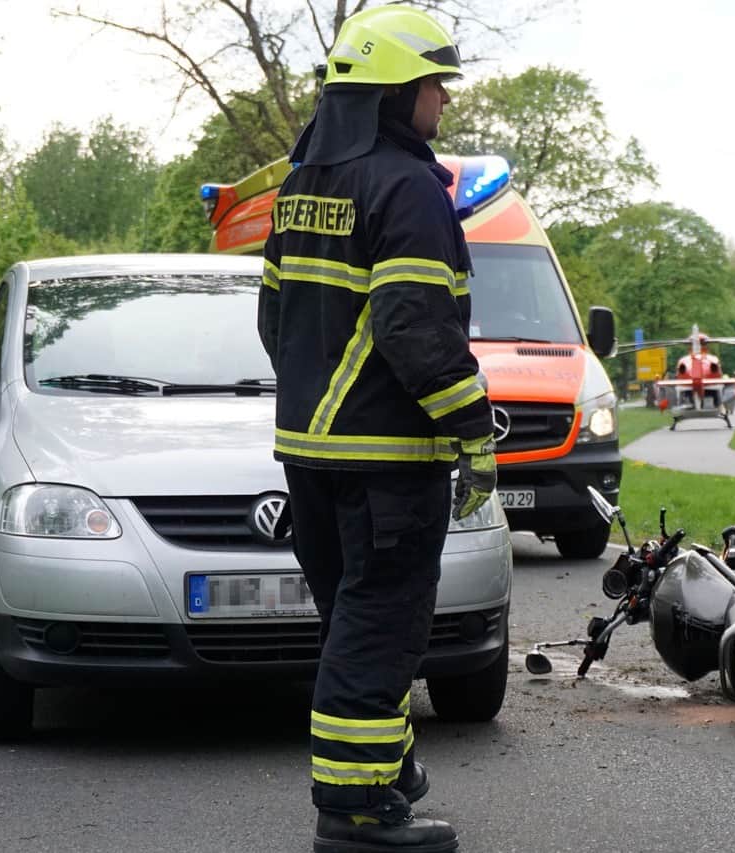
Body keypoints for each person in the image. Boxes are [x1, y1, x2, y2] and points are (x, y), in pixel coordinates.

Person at [257, 7, 495, 852]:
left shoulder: (301, 185)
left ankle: (386, 771)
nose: (442, 100)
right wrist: (472, 429)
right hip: (390, 460)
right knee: (383, 623)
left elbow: (273, 316)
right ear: (397, 93)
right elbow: (414, 327)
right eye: (434, 84)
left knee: (356, 623)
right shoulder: (405, 187)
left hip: (310, 456)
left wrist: (315, 402)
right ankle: (353, 813)